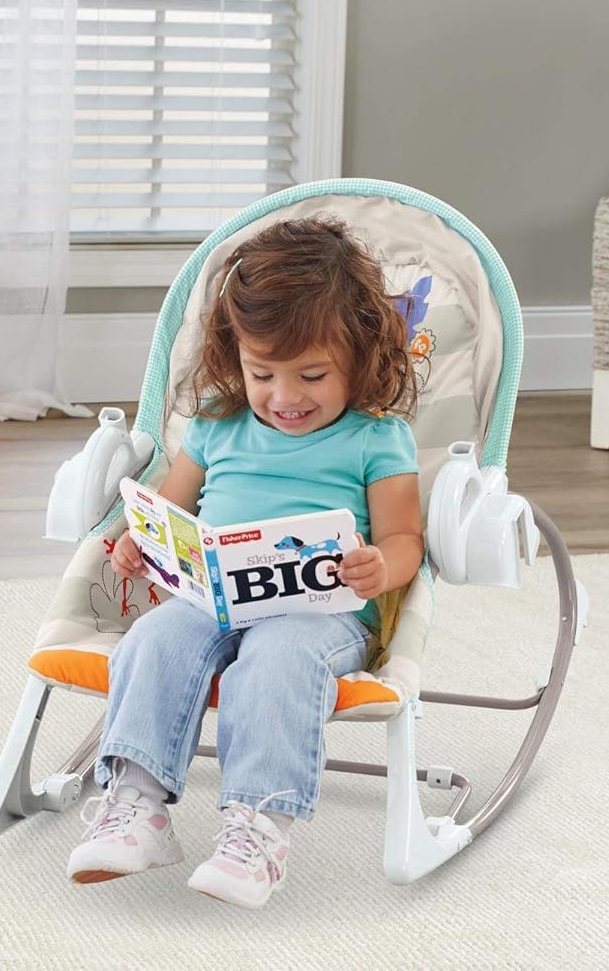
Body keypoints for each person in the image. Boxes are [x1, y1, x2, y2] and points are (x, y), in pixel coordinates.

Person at [67, 216, 424, 910]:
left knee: (277, 660)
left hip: (320, 616)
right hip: (213, 601)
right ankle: (137, 807)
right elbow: (168, 515)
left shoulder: (377, 439)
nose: (285, 397)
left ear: (359, 356)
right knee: (154, 639)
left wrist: (382, 566)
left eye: (312, 376)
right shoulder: (216, 425)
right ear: (236, 355)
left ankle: (257, 830)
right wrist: (141, 544)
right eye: (263, 374)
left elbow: (407, 538)